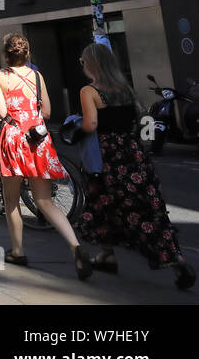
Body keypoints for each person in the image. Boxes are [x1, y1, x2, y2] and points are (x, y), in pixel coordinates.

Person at [73, 43, 195, 290]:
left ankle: (112, 254)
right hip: (133, 154)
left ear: (92, 65)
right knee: (147, 208)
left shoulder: (90, 91)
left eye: (83, 62)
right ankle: (173, 259)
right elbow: (136, 120)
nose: (83, 66)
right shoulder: (125, 88)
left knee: (103, 203)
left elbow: (91, 125)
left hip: (107, 158)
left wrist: (74, 128)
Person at [0, 32, 95, 277]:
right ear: (26, 53)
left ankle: (18, 251)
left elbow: (2, 113)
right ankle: (76, 247)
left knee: (11, 201)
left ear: (5, 53)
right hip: (39, 139)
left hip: (13, 140)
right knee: (45, 201)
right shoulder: (37, 75)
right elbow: (46, 112)